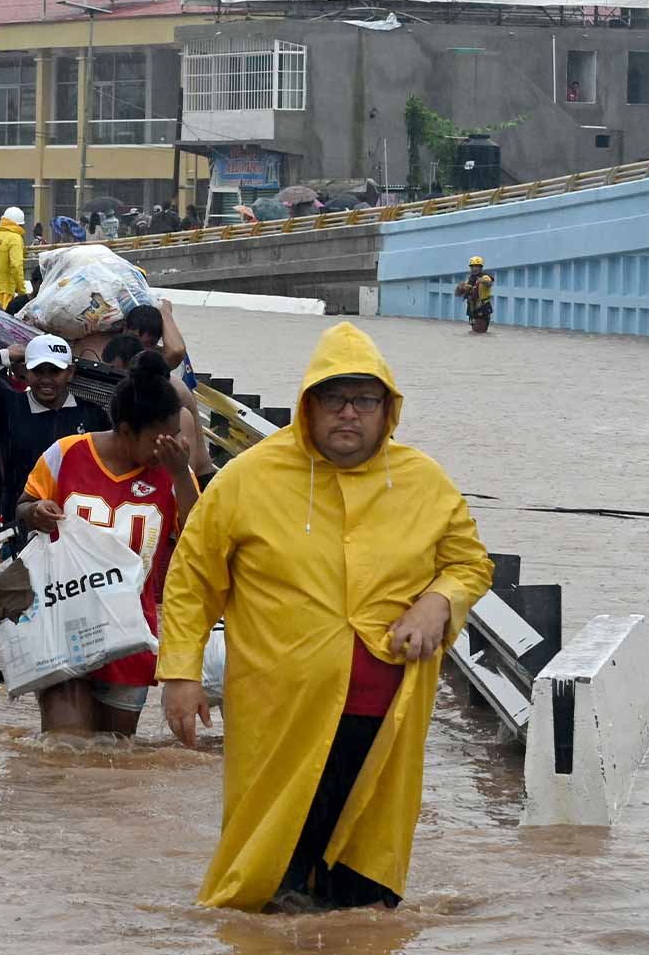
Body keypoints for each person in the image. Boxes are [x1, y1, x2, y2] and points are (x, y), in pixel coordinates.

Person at [157, 322, 493, 913]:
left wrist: (439, 601)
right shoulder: (249, 479)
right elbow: (191, 579)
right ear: (308, 405)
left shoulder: (423, 482)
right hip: (278, 718)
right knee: (266, 883)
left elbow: (469, 563)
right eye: (334, 398)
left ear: (388, 409)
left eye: (365, 399)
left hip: (383, 717)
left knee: (364, 895)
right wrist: (180, 674)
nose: (349, 414)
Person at [17, 351, 198, 736]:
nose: (168, 446)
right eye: (159, 439)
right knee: (65, 748)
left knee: (112, 759)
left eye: (176, 434)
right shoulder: (67, 454)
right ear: (127, 431)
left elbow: (201, 539)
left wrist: (181, 474)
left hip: (130, 633)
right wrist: (35, 512)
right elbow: (23, 507)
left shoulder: (172, 473)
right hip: (62, 622)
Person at [0, 333, 111, 544]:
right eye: (38, 371)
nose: (46, 379)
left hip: (79, 530)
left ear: (70, 373)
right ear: (24, 371)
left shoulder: (93, 415)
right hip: (22, 530)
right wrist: (5, 354)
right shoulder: (7, 405)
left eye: (55, 371)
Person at [102, 332, 212, 480]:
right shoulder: (138, 399)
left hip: (197, 478)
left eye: (116, 371)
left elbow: (184, 470)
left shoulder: (176, 406)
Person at [455, 256, 495, 333]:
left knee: (478, 332)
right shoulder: (469, 280)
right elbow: (457, 294)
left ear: (481, 267)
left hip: (482, 309)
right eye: (472, 267)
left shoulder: (485, 277)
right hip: (472, 310)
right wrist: (459, 288)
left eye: (476, 266)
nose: (474, 269)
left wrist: (482, 281)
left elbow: (489, 283)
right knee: (474, 332)